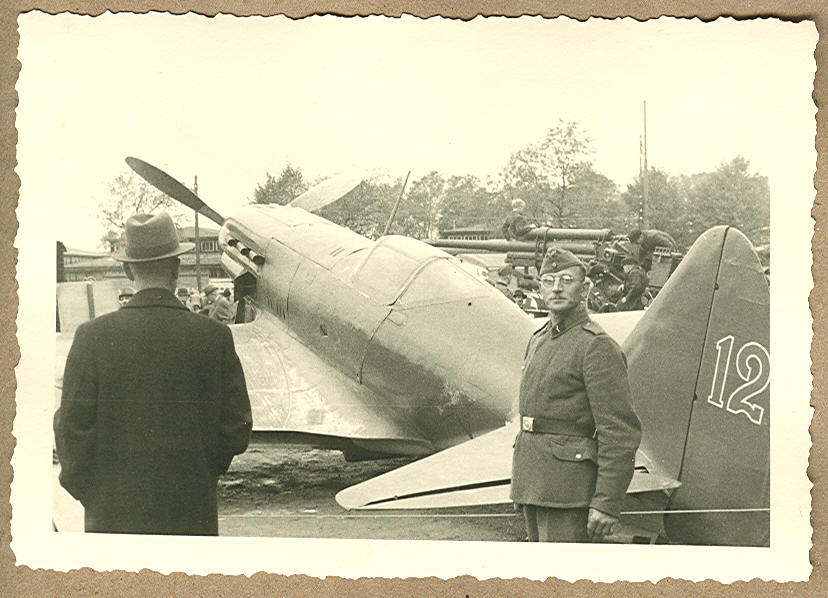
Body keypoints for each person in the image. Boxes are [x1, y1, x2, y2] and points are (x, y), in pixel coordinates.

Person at [54, 211, 252, 535]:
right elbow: (237, 426)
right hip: (192, 515)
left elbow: (71, 429)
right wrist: (201, 473)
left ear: (127, 269)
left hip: (112, 520)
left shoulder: (92, 337)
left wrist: (97, 495)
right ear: (177, 267)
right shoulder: (214, 337)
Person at [511, 248, 641, 542]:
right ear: (540, 287)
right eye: (549, 280)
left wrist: (606, 502)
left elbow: (619, 431)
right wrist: (522, 485)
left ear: (585, 289)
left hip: (570, 491)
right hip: (534, 483)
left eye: (566, 280)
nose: (556, 288)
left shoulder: (596, 346)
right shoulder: (539, 339)